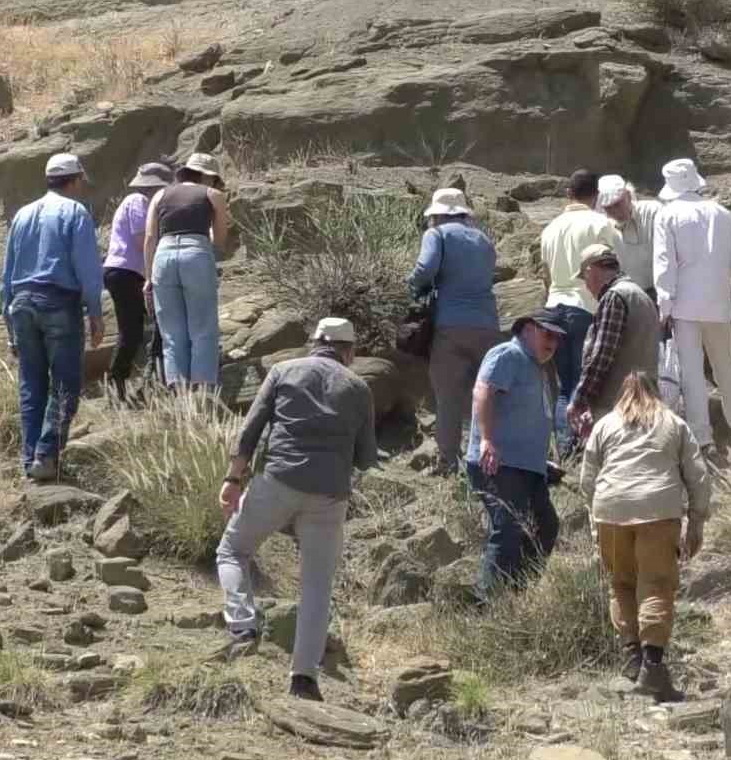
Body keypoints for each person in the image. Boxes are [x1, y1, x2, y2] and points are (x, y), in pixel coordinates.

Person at [216, 317, 378, 703]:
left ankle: (242, 626)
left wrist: (234, 479)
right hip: (329, 496)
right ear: (349, 351)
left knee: (233, 550)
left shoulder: (283, 371)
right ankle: (304, 678)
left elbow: (250, 431)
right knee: (317, 586)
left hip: (278, 482)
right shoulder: (358, 387)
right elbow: (366, 457)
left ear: (314, 343)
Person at [579, 372, 710, 702]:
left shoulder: (605, 424)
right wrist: (696, 522)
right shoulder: (673, 422)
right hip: (657, 509)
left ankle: (632, 660)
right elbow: (698, 477)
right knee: (656, 584)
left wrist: (596, 526)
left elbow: (587, 480)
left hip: (609, 510)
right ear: (656, 392)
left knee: (622, 584)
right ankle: (652, 670)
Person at [0, 153, 105, 482]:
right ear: (73, 181)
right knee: (65, 384)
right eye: (80, 183)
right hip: (59, 302)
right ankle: (46, 454)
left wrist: (9, 326)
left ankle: (30, 459)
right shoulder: (75, 212)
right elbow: (87, 268)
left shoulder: (22, 215)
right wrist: (95, 313)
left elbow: (6, 275)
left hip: (22, 303)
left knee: (31, 385)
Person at [652, 158, 731, 452]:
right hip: (719, 304)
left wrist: (664, 305)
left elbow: (664, 265)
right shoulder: (722, 213)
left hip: (684, 306)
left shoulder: (667, 215)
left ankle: (702, 437)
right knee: (726, 369)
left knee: (692, 372)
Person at [466, 308, 567, 602]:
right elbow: (483, 392)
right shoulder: (507, 354)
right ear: (528, 329)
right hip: (499, 463)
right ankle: (486, 605)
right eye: (547, 334)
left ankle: (515, 594)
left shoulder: (536, 367)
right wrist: (486, 439)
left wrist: (542, 461)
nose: (553, 342)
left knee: (546, 526)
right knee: (508, 528)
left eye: (558, 338)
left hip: (528, 467)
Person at [407, 188, 501, 475]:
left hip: (451, 325)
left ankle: (448, 462)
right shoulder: (484, 240)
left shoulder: (437, 235)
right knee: (485, 395)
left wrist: (412, 286)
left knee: (448, 397)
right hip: (487, 325)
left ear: (438, 214)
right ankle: (486, 459)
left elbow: (425, 268)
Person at [539, 171, 623, 456]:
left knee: (564, 385)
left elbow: (546, 275)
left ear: (568, 194)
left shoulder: (550, 228)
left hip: (553, 308)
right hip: (585, 307)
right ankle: (587, 449)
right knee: (586, 382)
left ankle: (565, 450)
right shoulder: (601, 224)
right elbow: (617, 266)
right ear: (596, 195)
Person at [144, 153, 229, 391]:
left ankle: (180, 397)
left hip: (163, 255)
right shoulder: (213, 195)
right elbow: (220, 240)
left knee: (172, 334)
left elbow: (150, 237)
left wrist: (148, 277)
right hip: (196, 252)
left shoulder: (160, 195)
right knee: (203, 329)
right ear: (208, 177)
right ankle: (202, 395)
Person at [566, 244, 659, 437]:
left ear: (591, 270)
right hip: (646, 401)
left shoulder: (614, 297)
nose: (586, 285)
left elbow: (602, 356)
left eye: (584, 277)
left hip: (618, 405)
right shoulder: (641, 296)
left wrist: (580, 399)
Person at [102, 162, 173, 404]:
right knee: (131, 332)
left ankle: (141, 383)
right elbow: (144, 240)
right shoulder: (138, 202)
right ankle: (115, 387)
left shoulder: (139, 202)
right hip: (126, 272)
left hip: (126, 272)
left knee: (143, 329)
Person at [596, 176, 661, 298]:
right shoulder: (603, 224)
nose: (615, 212)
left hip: (656, 291)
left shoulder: (652, 212)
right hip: (625, 294)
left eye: (618, 204)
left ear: (629, 196)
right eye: (609, 208)